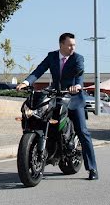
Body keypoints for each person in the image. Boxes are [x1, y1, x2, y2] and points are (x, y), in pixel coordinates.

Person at [16, 32, 99, 181]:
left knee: (82, 131)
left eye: (74, 45)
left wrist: (77, 86)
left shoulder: (77, 58)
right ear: (61, 45)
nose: (72, 47)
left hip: (73, 97)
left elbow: (79, 74)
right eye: (69, 45)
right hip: (56, 95)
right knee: (41, 116)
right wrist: (27, 82)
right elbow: (39, 70)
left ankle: (92, 168)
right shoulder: (52, 56)